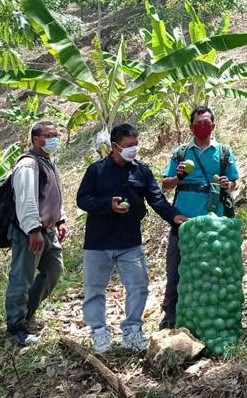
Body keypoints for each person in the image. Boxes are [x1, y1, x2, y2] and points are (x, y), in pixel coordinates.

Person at [76, 123, 188, 352]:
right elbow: (82, 199)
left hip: (130, 242)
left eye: (136, 144)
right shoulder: (96, 171)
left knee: (138, 285)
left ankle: (132, 331)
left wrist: (174, 216)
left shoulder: (141, 171)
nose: (134, 149)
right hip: (99, 242)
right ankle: (99, 333)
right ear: (115, 146)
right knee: (94, 289)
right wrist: (108, 205)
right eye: (129, 146)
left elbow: (156, 199)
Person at [158, 106, 240, 329]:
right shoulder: (181, 153)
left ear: (213, 125)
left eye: (206, 122)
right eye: (198, 122)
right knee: (176, 268)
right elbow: (165, 185)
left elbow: (234, 182)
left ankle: (210, 317)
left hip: (215, 223)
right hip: (184, 221)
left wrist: (228, 184)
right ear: (191, 126)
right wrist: (178, 176)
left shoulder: (223, 151)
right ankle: (170, 316)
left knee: (213, 270)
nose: (203, 126)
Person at [5, 120, 68, 346]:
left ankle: (28, 312)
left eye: (56, 134)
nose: (54, 138)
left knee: (53, 269)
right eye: (49, 135)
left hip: (49, 230)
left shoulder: (48, 162)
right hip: (29, 232)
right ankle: (15, 327)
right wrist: (33, 229)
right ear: (35, 139)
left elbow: (52, 195)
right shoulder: (28, 165)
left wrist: (60, 219)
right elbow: (26, 199)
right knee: (21, 277)